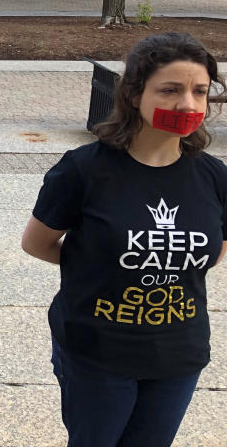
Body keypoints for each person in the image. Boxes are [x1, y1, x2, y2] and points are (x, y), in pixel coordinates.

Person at [22, 32, 227, 447]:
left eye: (199, 91)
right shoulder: (84, 170)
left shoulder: (214, 176)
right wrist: (94, 264)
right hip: (97, 353)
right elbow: (37, 242)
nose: (187, 104)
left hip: (178, 355)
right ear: (134, 95)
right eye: (170, 90)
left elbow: (215, 249)